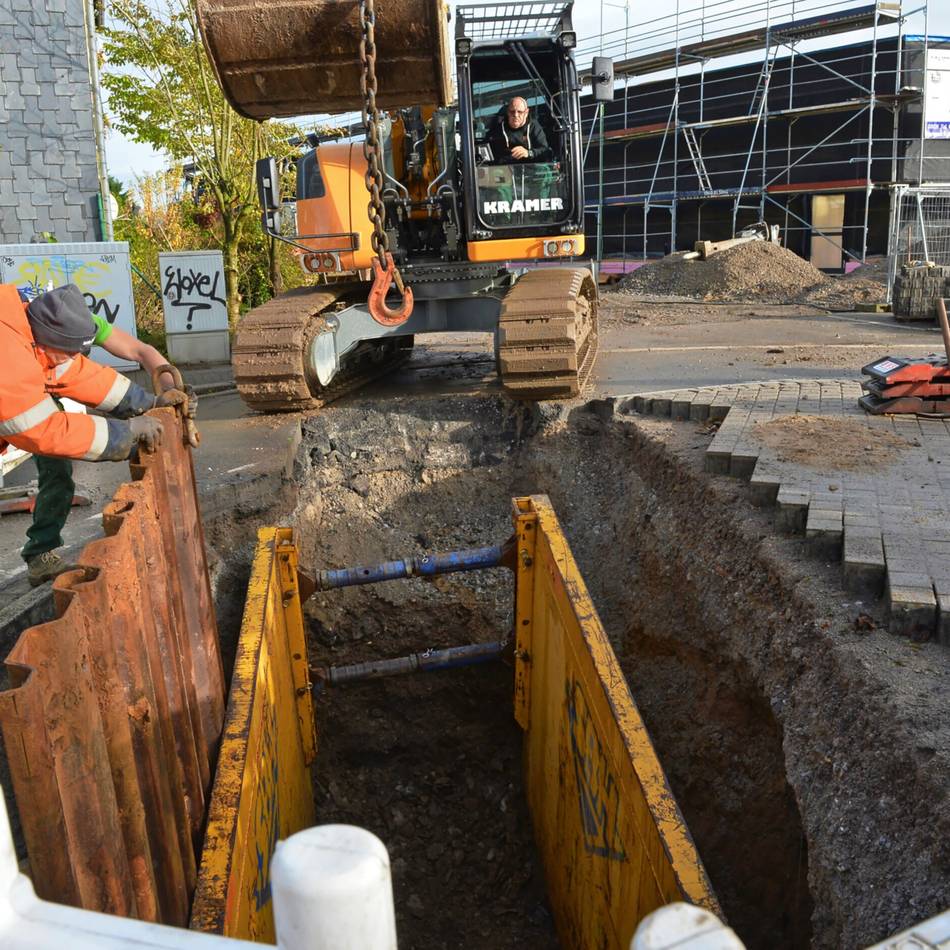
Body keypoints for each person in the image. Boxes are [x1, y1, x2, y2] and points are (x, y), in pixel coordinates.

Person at [0, 282, 195, 586]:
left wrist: (151, 403)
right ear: (46, 342)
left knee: (56, 467)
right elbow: (40, 430)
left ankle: (40, 555)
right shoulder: (9, 353)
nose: (71, 357)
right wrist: (127, 433)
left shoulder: (34, 331)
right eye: (68, 352)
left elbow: (80, 375)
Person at [487, 96, 552, 164]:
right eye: (512, 112)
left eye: (520, 112)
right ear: (508, 112)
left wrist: (529, 153)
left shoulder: (533, 126)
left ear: (526, 112)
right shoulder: (498, 127)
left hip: (530, 168)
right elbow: (486, 149)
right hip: (504, 169)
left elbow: (544, 150)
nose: (516, 115)